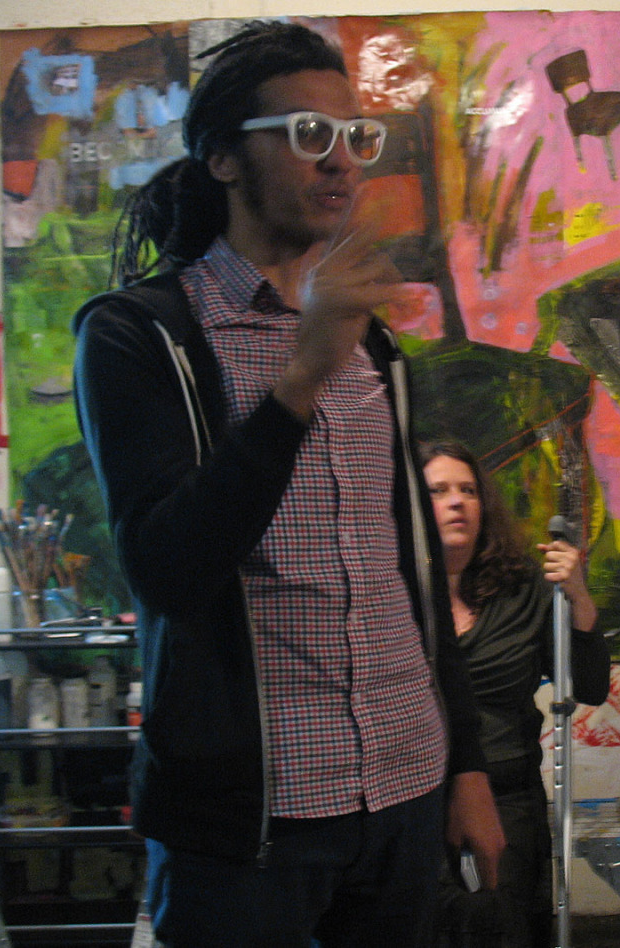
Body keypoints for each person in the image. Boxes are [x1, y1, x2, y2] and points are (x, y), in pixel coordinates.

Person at [72, 22, 503, 948]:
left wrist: (465, 765)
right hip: (250, 822)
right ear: (224, 156)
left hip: (403, 786)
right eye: (309, 133)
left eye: (356, 136)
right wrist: (302, 374)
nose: (341, 160)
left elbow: (413, 576)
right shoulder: (141, 335)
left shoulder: (375, 347)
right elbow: (168, 568)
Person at [422, 441, 611, 948]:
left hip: (507, 794)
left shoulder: (522, 589)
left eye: (468, 490)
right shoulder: (392, 593)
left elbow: (589, 687)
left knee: (503, 926)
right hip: (416, 798)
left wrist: (579, 598)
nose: (457, 501)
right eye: (438, 491)